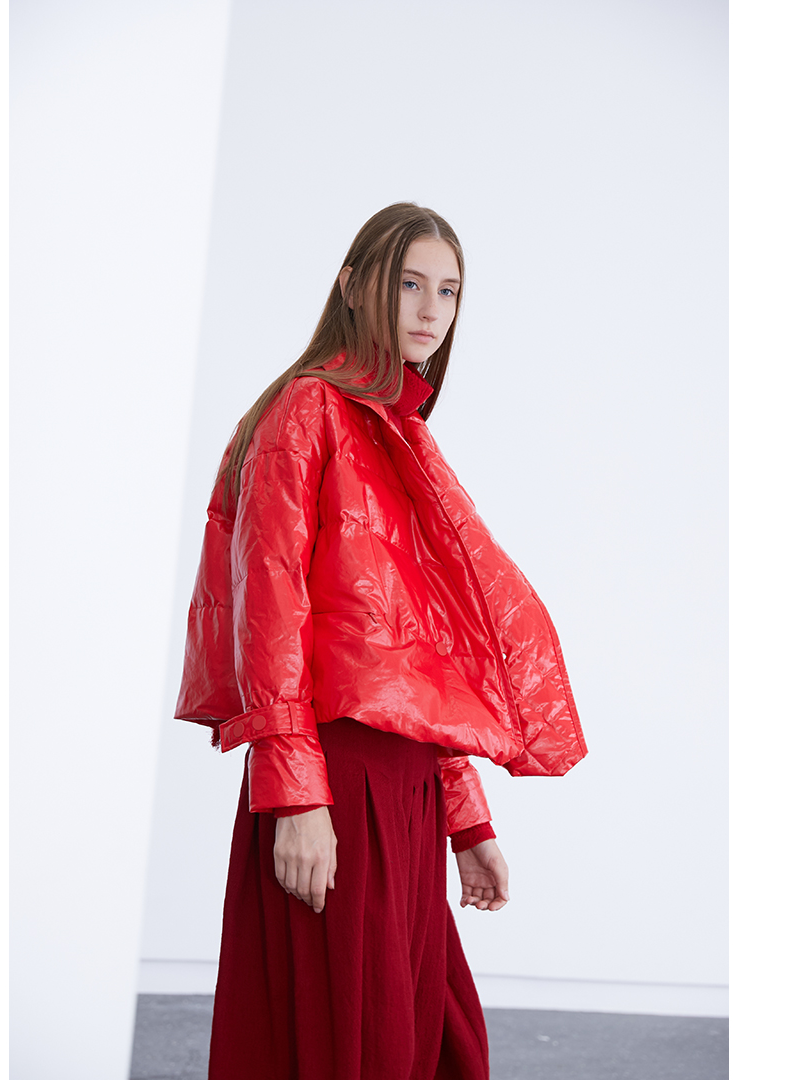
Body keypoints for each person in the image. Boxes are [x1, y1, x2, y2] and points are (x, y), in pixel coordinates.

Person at [175, 202, 587, 1080]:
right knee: (349, 1048)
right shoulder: (305, 412)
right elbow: (270, 608)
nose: (432, 310)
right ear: (353, 284)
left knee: (431, 1044)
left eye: (449, 290)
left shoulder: (399, 430)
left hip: (406, 791)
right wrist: (296, 800)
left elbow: (424, 658)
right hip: (336, 780)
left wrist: (465, 820)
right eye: (409, 283)